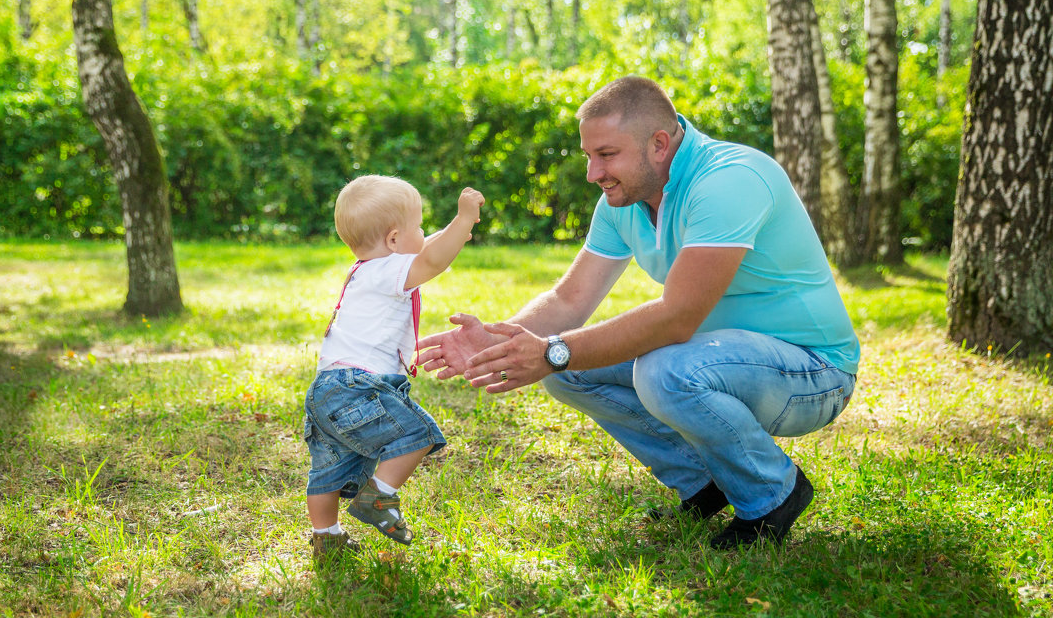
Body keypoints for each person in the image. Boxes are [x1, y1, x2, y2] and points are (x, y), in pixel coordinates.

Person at [417, 76, 859, 549]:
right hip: (718, 361)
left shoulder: (729, 180)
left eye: (606, 155)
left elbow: (678, 318)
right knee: (566, 370)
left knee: (654, 368)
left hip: (813, 372)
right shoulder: (622, 201)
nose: (593, 173)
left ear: (659, 144)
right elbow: (570, 301)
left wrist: (552, 351)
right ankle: (704, 483)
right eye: (589, 156)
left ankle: (772, 493)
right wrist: (502, 343)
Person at [304, 175, 485, 562]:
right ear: (393, 240)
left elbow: (426, 248)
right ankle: (378, 498)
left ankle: (326, 537)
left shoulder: (368, 269)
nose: (424, 232)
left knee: (329, 468)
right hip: (359, 387)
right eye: (418, 226)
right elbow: (432, 259)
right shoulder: (390, 273)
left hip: (326, 389)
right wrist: (464, 219)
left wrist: (451, 233)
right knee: (417, 436)